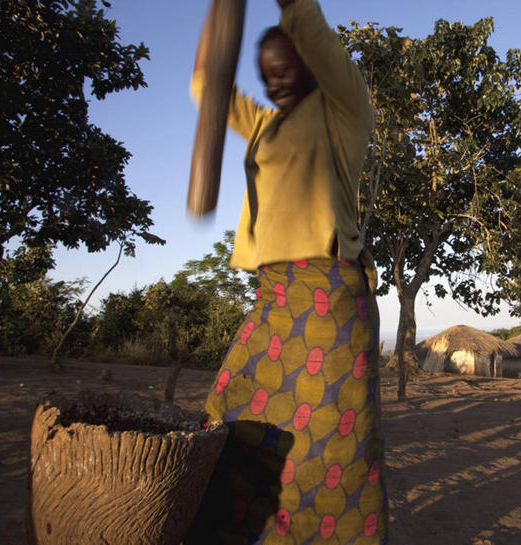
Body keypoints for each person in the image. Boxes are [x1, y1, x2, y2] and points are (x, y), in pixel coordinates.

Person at [185, 1, 388, 543]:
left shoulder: (344, 110)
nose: (273, 83)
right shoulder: (263, 128)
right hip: (274, 295)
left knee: (326, 450)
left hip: (330, 301)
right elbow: (206, 84)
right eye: (265, 74)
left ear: (310, 64)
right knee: (231, 417)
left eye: (283, 70)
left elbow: (303, 15)